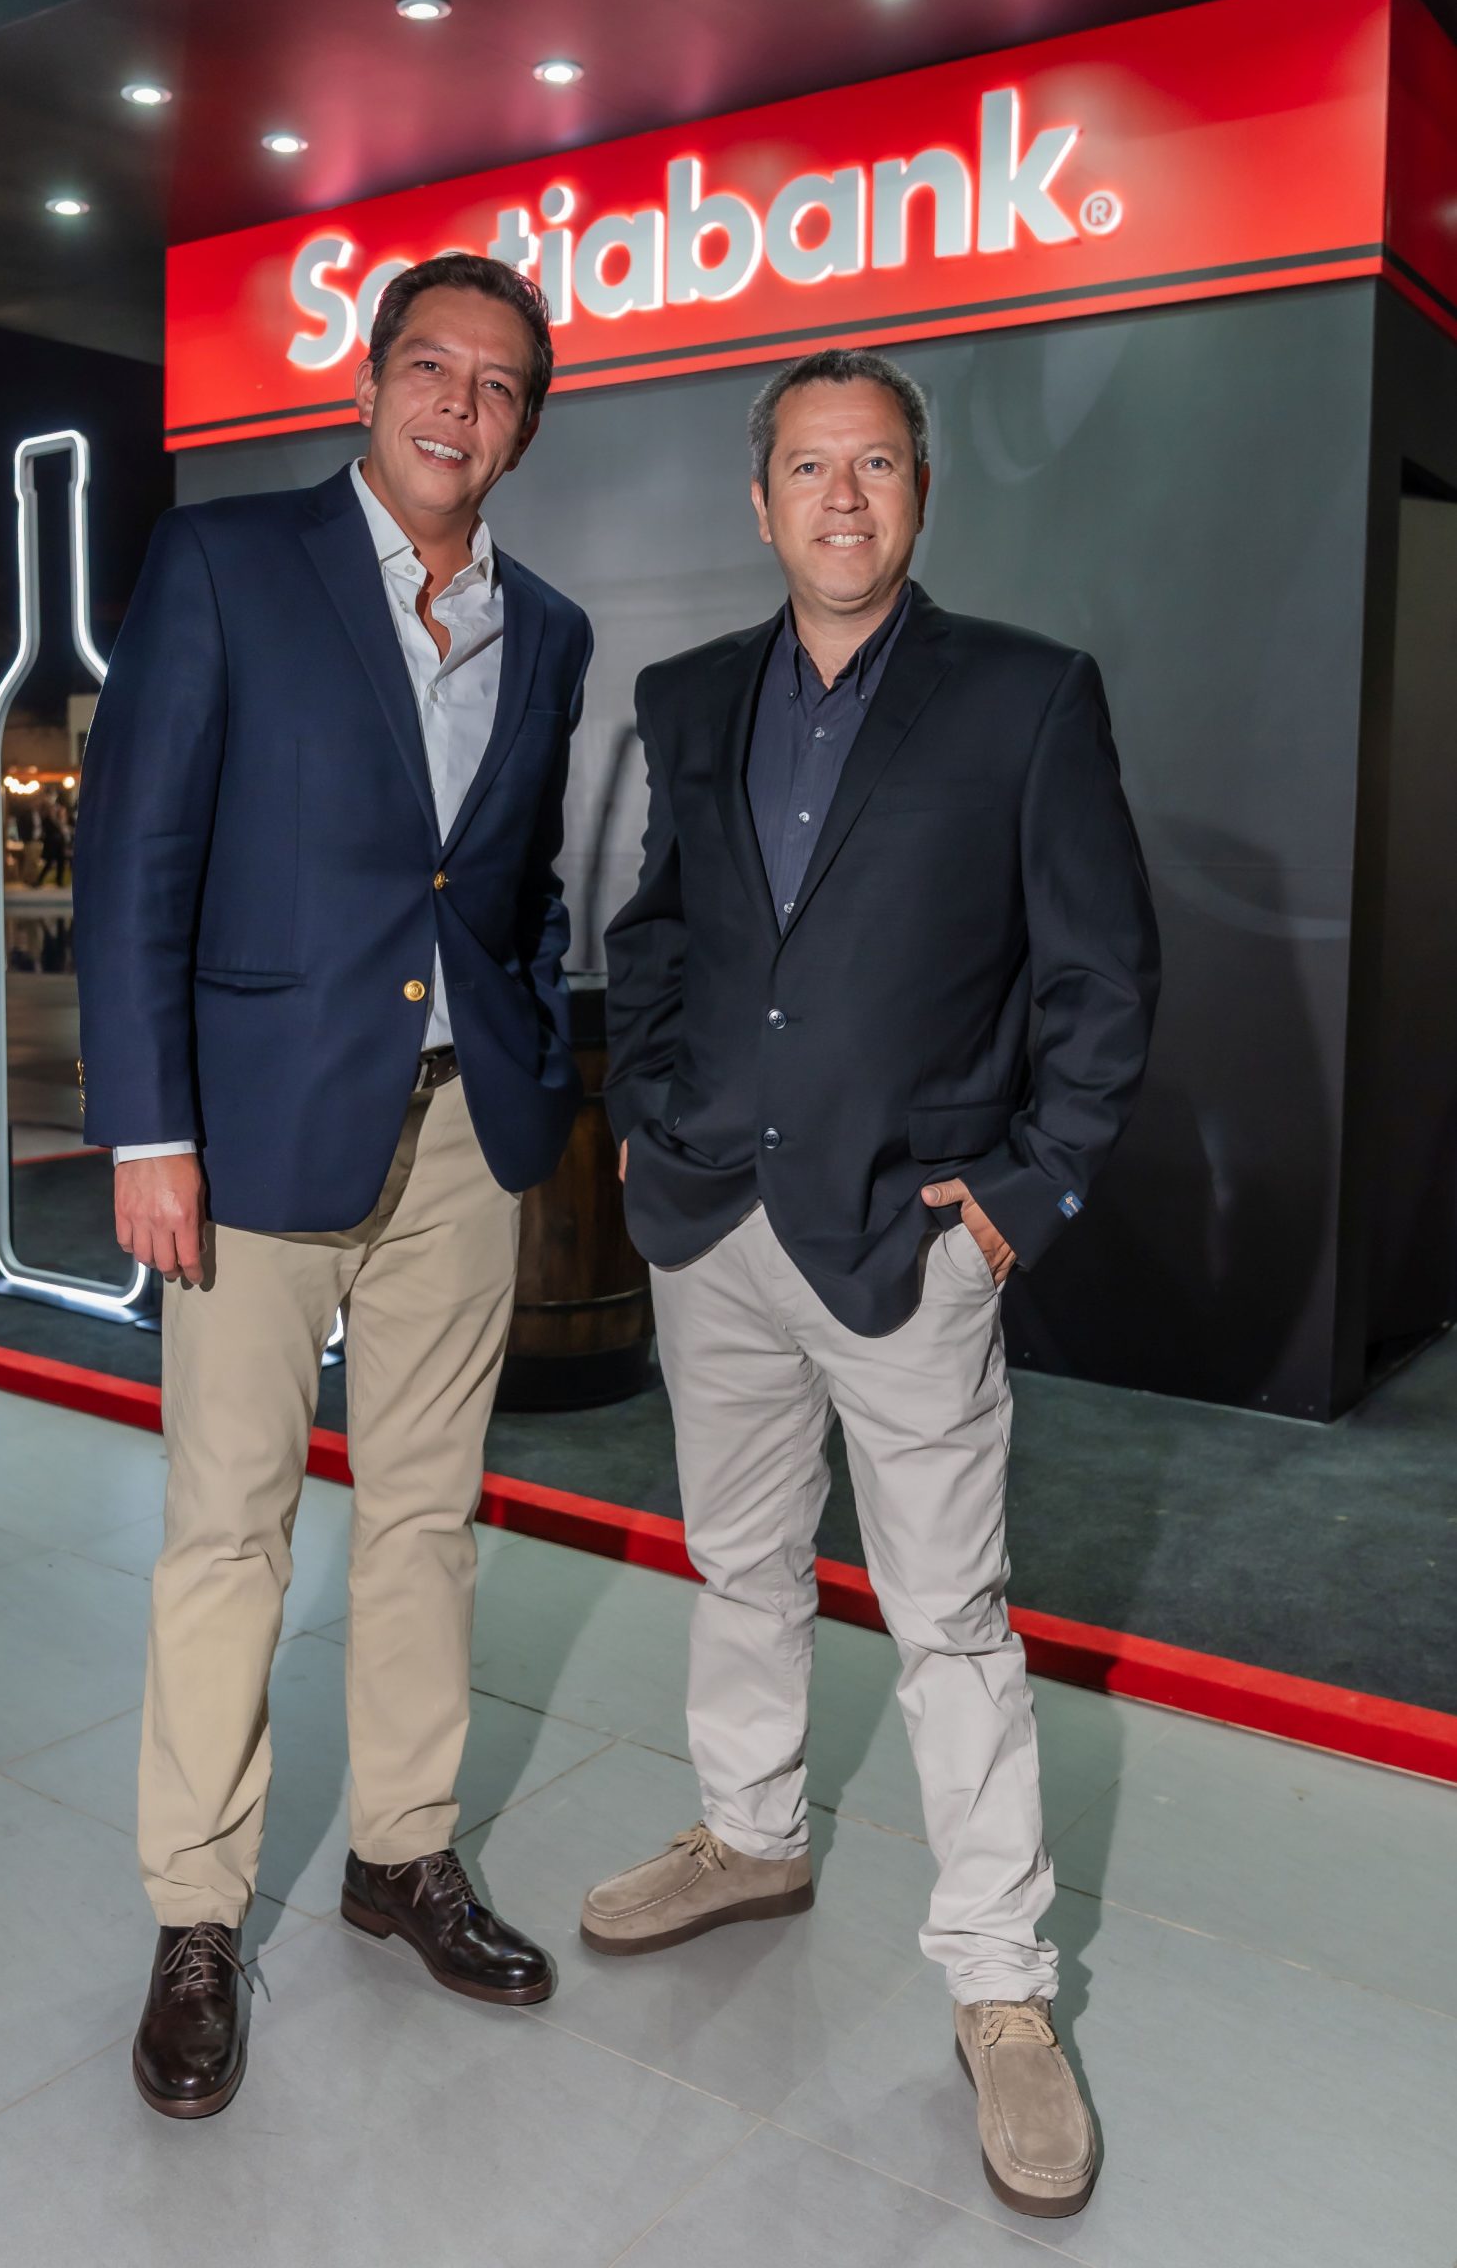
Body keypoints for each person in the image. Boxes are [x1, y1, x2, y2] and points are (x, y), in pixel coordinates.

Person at [587, 347, 1160, 2225]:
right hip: (712, 1223)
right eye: (809, 468)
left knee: (949, 1622)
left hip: (910, 1243)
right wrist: (646, 1115)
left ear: (921, 491)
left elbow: (1100, 976)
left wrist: (1021, 1197)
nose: (842, 498)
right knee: (738, 1562)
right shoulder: (687, 696)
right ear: (757, 502)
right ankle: (750, 1834)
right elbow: (653, 932)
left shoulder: (1026, 696)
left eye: (877, 465)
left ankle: (1000, 1988)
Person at [73, 253, 592, 2122]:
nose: (460, 405)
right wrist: (149, 1130)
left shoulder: (548, 630)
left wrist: (530, 1054)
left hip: (461, 1135)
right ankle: (197, 1916)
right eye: (432, 368)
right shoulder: (227, 563)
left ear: (523, 429)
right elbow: (136, 848)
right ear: (368, 386)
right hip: (253, 1131)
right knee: (230, 1533)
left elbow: (511, 885)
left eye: (498, 385)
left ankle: (400, 1852)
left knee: (428, 1516)